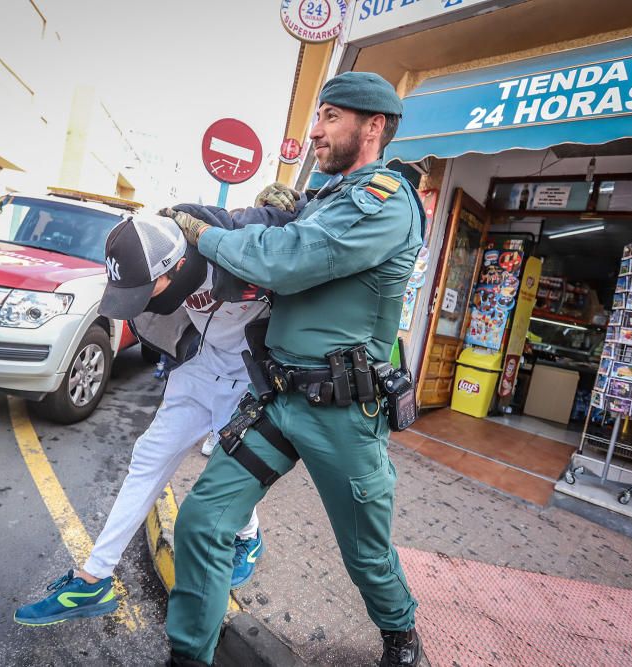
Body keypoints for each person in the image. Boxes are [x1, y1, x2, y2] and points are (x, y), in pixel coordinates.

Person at [162, 71, 425, 666]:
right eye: (318, 117)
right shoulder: (332, 198)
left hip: (344, 415)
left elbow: (294, 260)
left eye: (331, 118)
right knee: (202, 523)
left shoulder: (384, 200)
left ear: (373, 126)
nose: (315, 132)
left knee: (366, 556)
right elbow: (296, 231)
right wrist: (286, 208)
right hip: (281, 400)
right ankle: (187, 656)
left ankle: (401, 634)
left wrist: (203, 235)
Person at [13, 202, 296, 627]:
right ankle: (93, 579)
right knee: (147, 460)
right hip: (201, 368)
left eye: (149, 287)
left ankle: (248, 537)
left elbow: (303, 235)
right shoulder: (163, 244)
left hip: (248, 378)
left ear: (179, 264)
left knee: (231, 474)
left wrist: (290, 208)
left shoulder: (239, 241)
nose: (141, 300)